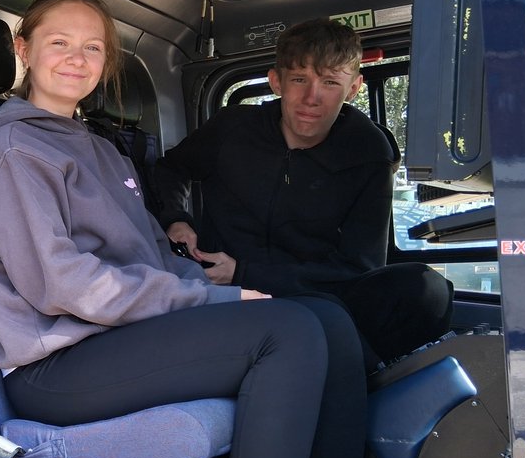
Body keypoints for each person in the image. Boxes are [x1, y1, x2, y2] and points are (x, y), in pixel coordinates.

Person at [0, 0, 464, 458]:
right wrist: (209, 301)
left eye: (92, 48)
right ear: (24, 50)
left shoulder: (97, 148)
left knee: (324, 317)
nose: (77, 59)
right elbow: (63, 285)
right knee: (284, 332)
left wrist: (217, 288)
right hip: (57, 368)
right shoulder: (16, 150)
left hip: (113, 343)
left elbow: (146, 260)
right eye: (59, 43)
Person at [155, 18, 453, 368]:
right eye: (299, 79)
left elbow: (358, 265)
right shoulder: (233, 127)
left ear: (354, 88)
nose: (312, 98)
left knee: (425, 289)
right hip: (221, 292)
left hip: (315, 294)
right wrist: (175, 219)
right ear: (276, 81)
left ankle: (372, 381)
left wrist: (245, 272)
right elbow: (169, 169)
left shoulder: (368, 151)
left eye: (329, 82)